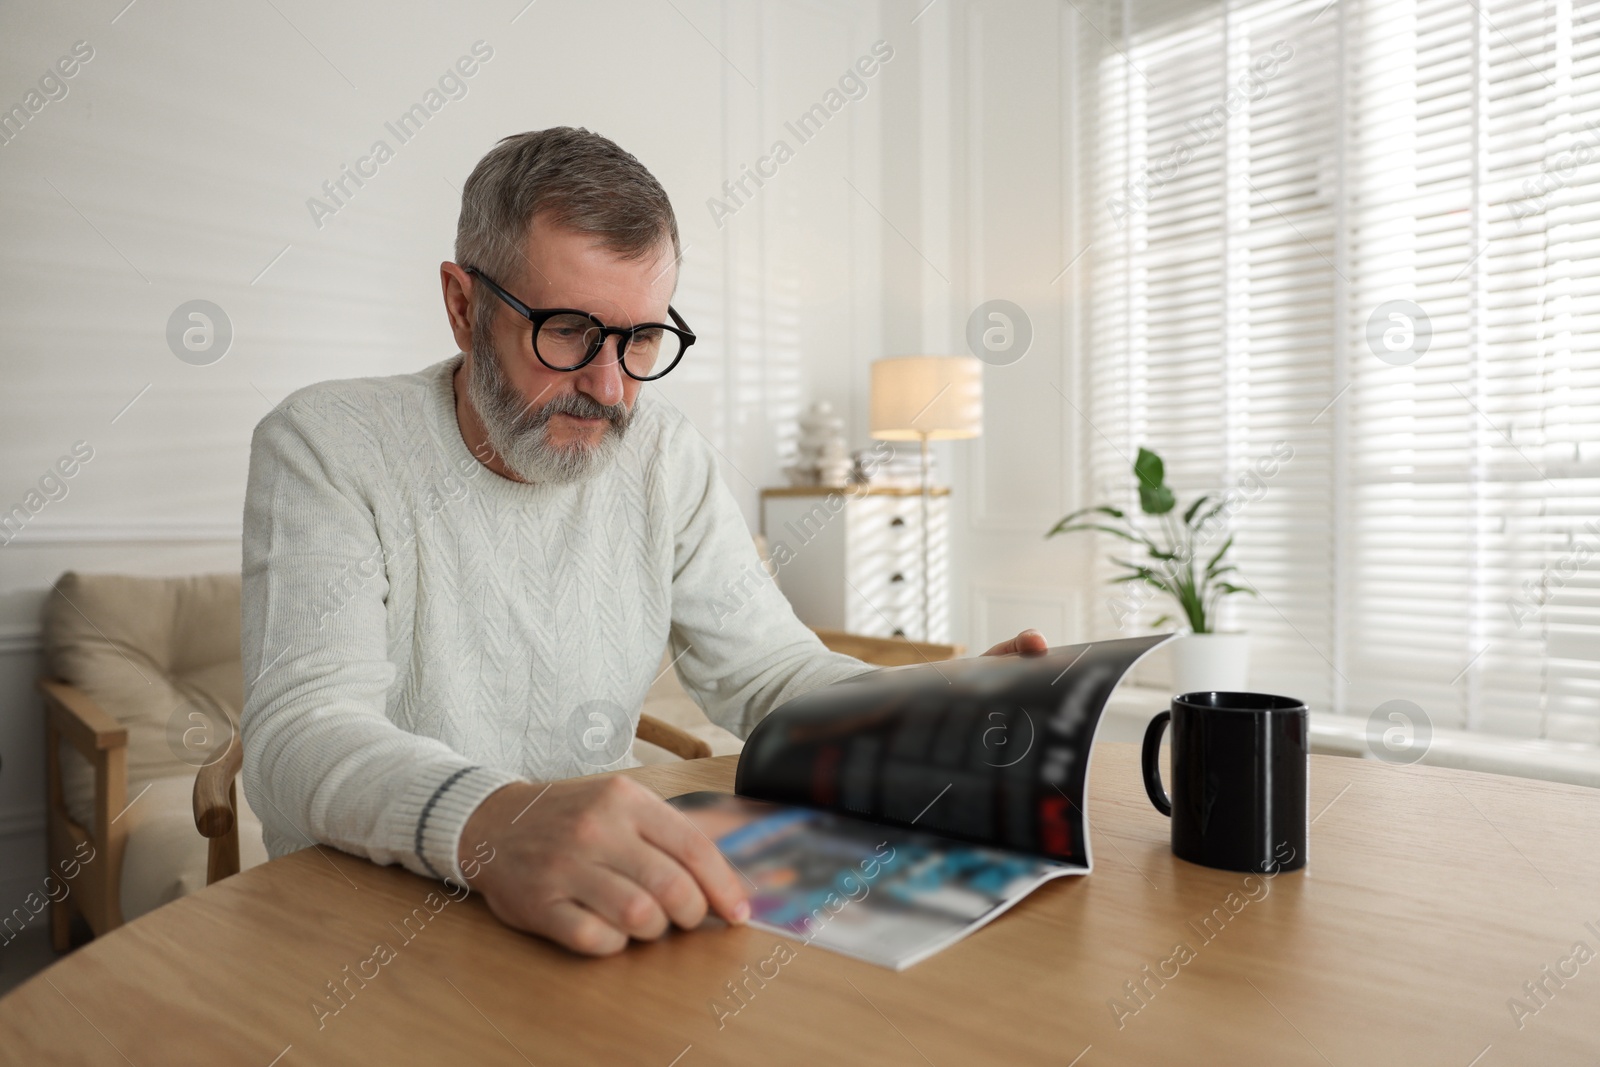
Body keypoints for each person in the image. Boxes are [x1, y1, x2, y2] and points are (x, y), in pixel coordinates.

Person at [240, 126, 1048, 957]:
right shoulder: (325, 442)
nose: (610, 387)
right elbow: (302, 731)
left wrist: (923, 713)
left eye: (642, 339)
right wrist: (495, 823)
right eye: (567, 331)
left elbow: (770, 670)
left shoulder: (664, 454)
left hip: (598, 909)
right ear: (463, 306)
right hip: (361, 923)